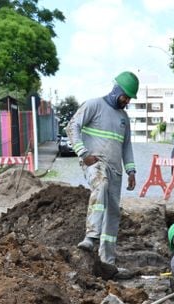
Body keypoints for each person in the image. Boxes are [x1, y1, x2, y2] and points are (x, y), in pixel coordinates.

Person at [68, 71, 139, 268]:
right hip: (95, 163)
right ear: (117, 90)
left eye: (129, 99)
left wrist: (131, 170)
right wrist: (83, 153)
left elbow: (126, 146)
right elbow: (72, 126)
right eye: (125, 97)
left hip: (116, 169)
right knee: (101, 185)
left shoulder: (124, 118)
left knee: (113, 212)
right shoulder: (94, 105)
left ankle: (107, 260)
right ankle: (91, 236)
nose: (127, 101)